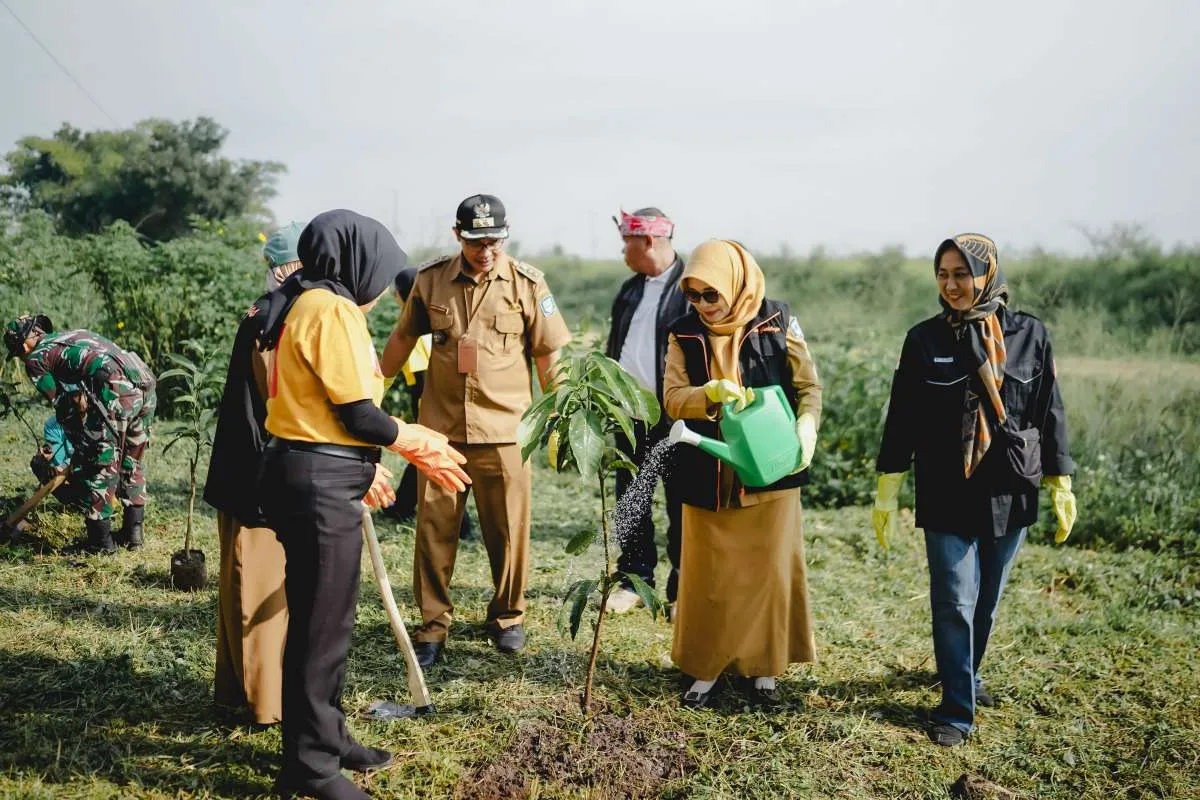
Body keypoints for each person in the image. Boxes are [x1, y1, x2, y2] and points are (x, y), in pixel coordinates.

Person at [259, 210, 470, 800]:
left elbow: (331, 408)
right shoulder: (330, 310)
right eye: (378, 270)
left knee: (324, 617)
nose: (381, 286)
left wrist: (373, 459)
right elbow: (358, 414)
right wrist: (415, 440)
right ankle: (311, 768)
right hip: (316, 479)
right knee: (321, 628)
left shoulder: (306, 301)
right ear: (357, 263)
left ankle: (326, 735)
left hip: (310, 470)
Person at [872, 233, 1077, 747]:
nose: (951, 285)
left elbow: (1049, 409)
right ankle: (956, 710)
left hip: (1013, 486)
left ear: (987, 273)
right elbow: (903, 416)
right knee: (955, 601)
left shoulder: (1030, 334)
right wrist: (887, 483)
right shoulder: (924, 340)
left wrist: (1061, 478)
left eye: (961, 273)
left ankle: (964, 671)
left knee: (986, 601)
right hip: (946, 491)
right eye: (942, 274)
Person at [382, 193, 572, 667]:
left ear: (504, 238)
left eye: (493, 241)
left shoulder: (529, 284)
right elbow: (404, 337)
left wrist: (560, 416)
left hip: (507, 431)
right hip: (441, 432)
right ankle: (432, 626)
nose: (484, 250)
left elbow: (548, 354)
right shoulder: (430, 281)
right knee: (434, 530)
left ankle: (508, 616)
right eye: (475, 241)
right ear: (457, 236)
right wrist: (371, 393)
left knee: (508, 531)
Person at [661, 239, 822, 708]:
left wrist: (807, 425)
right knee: (708, 577)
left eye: (711, 294)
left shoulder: (778, 320)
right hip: (707, 470)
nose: (703, 306)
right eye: (692, 295)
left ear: (737, 284)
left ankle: (764, 669)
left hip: (770, 469)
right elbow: (672, 397)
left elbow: (807, 385)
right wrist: (706, 394)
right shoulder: (682, 333)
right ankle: (705, 667)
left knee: (769, 574)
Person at [203, 221, 304, 727]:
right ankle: (263, 705)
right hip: (258, 475)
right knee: (257, 590)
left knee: (242, 587)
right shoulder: (279, 317)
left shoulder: (265, 310)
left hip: (244, 471)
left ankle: (234, 694)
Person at [4, 314, 156, 554]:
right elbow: (80, 393)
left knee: (101, 462)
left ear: (23, 346)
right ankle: (132, 533)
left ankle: (99, 543)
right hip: (143, 380)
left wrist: (81, 446)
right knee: (131, 459)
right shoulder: (72, 336)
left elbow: (63, 405)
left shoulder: (35, 358)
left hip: (116, 388)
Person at [604, 208, 689, 615]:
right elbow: (614, 344)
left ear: (649, 241)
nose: (623, 251)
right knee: (630, 499)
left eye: (627, 242)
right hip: (630, 415)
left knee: (680, 502)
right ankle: (635, 580)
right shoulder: (629, 289)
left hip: (675, 418)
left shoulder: (690, 288)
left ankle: (681, 587)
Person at [381, 268, 475, 541]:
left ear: (403, 295)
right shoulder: (430, 323)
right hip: (439, 403)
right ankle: (401, 507)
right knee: (420, 460)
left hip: (431, 404)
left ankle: (462, 526)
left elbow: (423, 379)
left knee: (431, 458)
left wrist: (427, 413)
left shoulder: (415, 332)